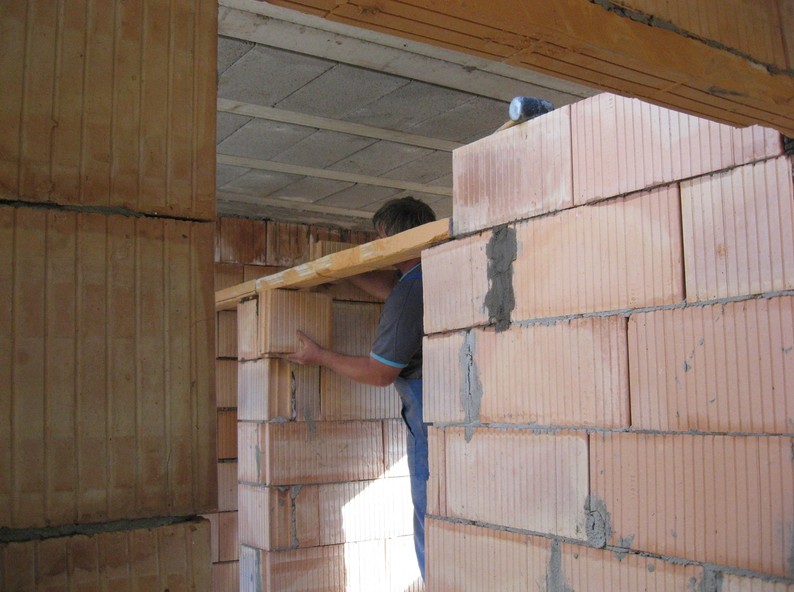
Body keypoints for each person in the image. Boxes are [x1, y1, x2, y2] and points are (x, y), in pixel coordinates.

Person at [284, 196, 436, 581]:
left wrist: (319, 356)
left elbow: (379, 373)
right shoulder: (432, 272)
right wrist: (347, 270)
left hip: (429, 419)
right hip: (447, 404)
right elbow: (391, 286)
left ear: (398, 238)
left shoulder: (408, 295)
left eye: (382, 238)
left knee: (430, 517)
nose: (378, 245)